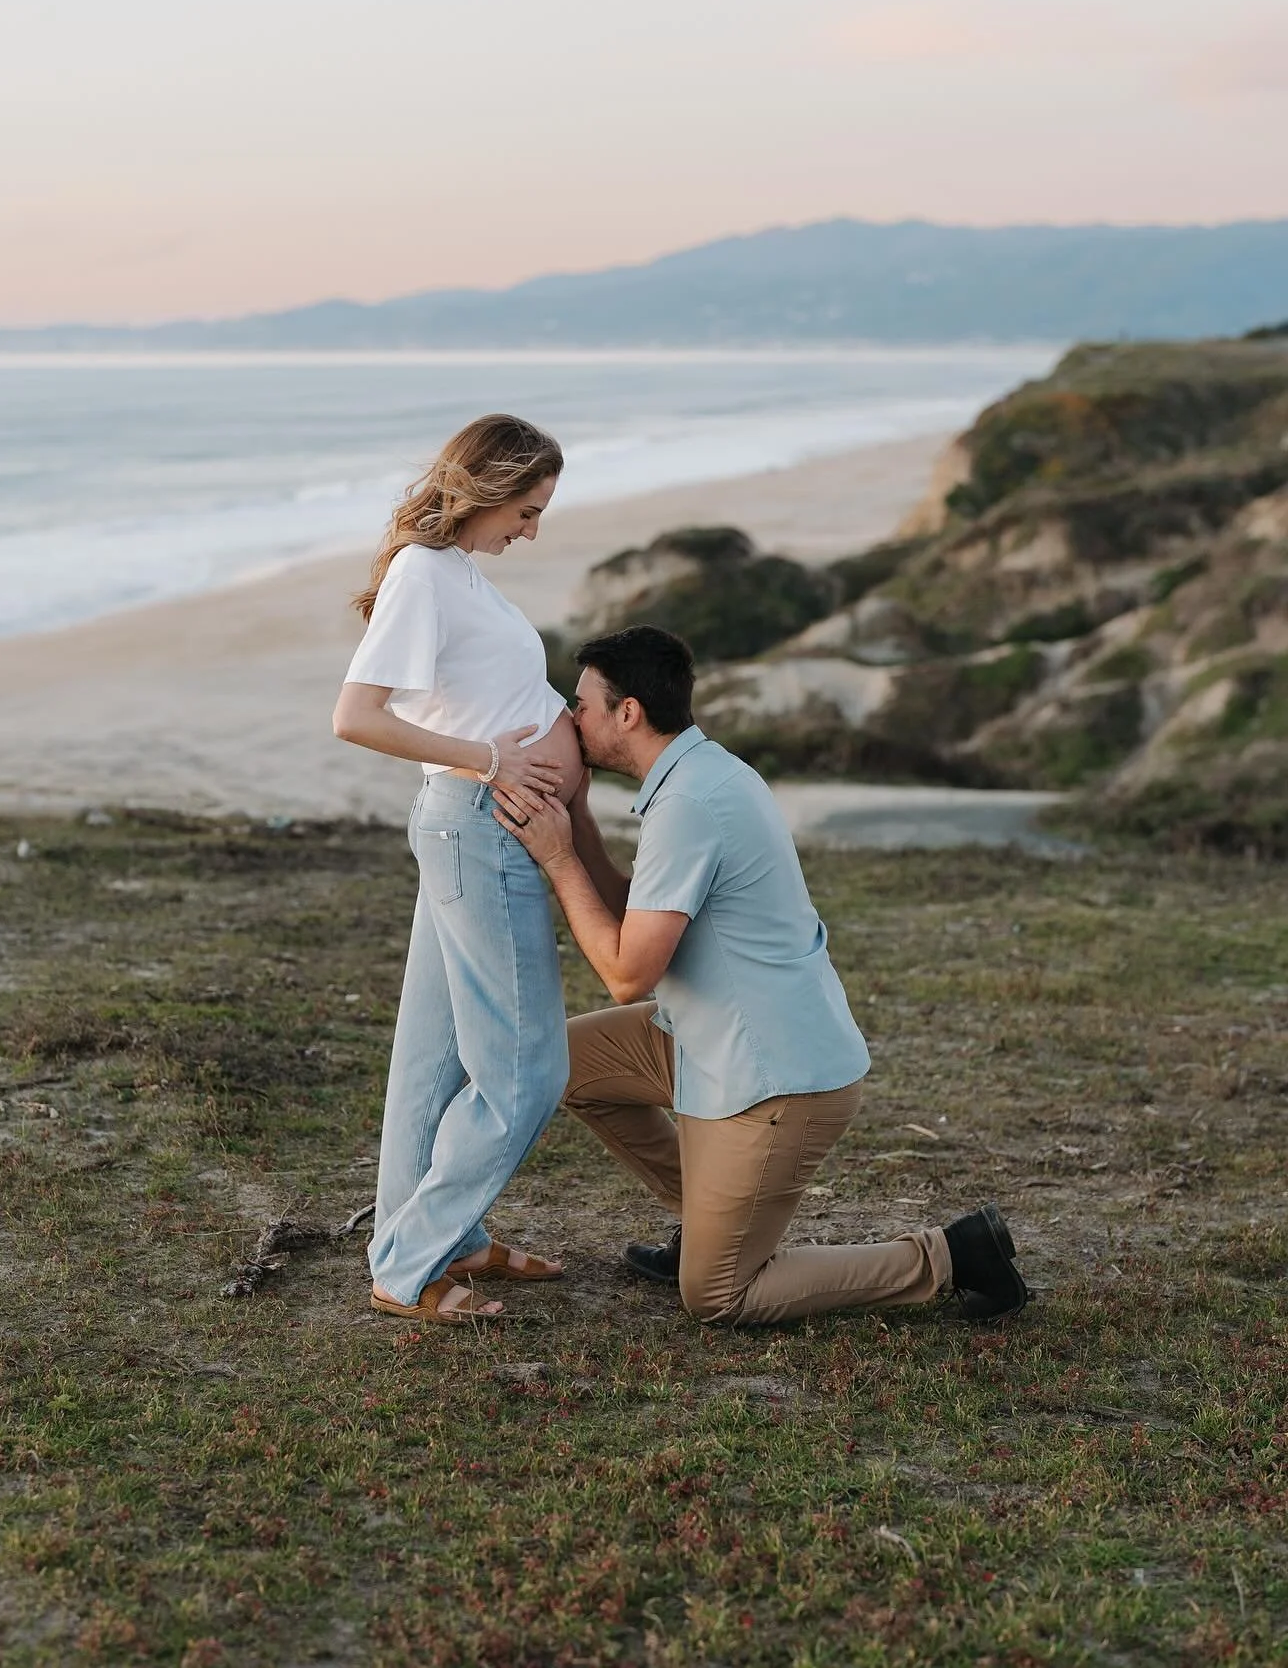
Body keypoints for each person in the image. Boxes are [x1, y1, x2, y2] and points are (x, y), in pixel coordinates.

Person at [492, 624, 1031, 1327]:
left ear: (628, 712)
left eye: (582, 704)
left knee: (717, 1295)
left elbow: (627, 973)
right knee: (561, 1062)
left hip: (775, 1077)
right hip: (712, 1039)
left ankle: (951, 1256)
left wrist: (560, 859)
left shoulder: (689, 805)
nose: (571, 718)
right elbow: (638, 912)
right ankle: (710, 1222)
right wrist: (579, 818)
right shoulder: (702, 774)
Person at [332, 414, 585, 1326]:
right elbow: (356, 716)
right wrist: (489, 760)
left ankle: (449, 1240)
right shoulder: (422, 573)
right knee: (525, 1073)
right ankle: (409, 1263)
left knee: (430, 1063)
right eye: (526, 509)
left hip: (474, 829)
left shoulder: (459, 571)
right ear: (487, 490)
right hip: (477, 826)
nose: (532, 530)